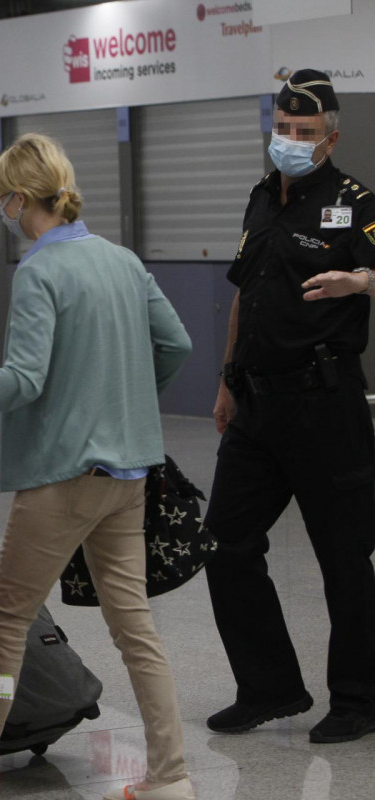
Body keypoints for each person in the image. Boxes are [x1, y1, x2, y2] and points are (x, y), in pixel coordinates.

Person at [0, 133, 194, 800]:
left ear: (21, 198)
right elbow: (176, 342)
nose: (2, 212)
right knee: (134, 626)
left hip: (62, 478)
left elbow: (21, 381)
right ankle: (171, 777)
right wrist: (126, 403)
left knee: (7, 622)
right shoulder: (121, 260)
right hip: (129, 477)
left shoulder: (39, 272)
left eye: (2, 200)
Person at [205, 69, 375, 744]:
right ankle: (269, 688)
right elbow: (246, 295)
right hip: (256, 404)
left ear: (329, 138)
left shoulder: (353, 200)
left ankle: (358, 699)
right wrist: (225, 380)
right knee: (224, 542)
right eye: (282, 129)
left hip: (325, 406)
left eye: (304, 133)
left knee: (343, 558)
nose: (291, 141)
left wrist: (358, 278)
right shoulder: (260, 200)